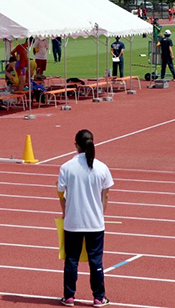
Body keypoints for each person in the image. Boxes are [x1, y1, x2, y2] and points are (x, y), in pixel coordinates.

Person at [57, 129, 113, 307]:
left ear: (76, 145)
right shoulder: (102, 167)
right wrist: (100, 213)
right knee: (96, 260)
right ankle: (98, 297)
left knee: (71, 260)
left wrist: (65, 211)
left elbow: (60, 193)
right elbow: (106, 196)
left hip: (73, 222)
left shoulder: (66, 167)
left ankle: (69, 296)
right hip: (95, 223)